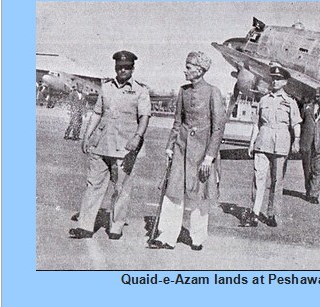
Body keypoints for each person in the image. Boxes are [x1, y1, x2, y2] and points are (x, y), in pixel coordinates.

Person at [148, 51, 226, 250]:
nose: (185, 71)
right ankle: (166, 236)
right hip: (181, 148)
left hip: (202, 153)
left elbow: (218, 127)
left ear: (199, 70)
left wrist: (210, 157)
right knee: (173, 191)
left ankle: (198, 237)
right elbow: (177, 121)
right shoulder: (183, 91)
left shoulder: (213, 92)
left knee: (200, 195)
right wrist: (169, 146)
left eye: (189, 67)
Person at [69, 50, 151, 239]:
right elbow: (97, 113)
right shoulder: (106, 87)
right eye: (119, 67)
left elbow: (144, 117)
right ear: (115, 67)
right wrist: (86, 135)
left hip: (125, 147)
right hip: (101, 144)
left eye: (127, 67)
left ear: (132, 68)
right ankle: (85, 226)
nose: (122, 70)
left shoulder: (140, 90)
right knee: (93, 185)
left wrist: (137, 137)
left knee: (121, 189)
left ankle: (116, 227)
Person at [240, 64, 302, 227]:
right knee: (258, 178)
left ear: (284, 82)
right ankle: (254, 213)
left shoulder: (290, 102)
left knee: (277, 181)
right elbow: (257, 124)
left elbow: (296, 124)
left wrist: (296, 141)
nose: (274, 82)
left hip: (281, 144)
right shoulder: (263, 100)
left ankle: (272, 213)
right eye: (273, 79)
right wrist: (251, 143)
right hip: (262, 142)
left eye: (278, 79)